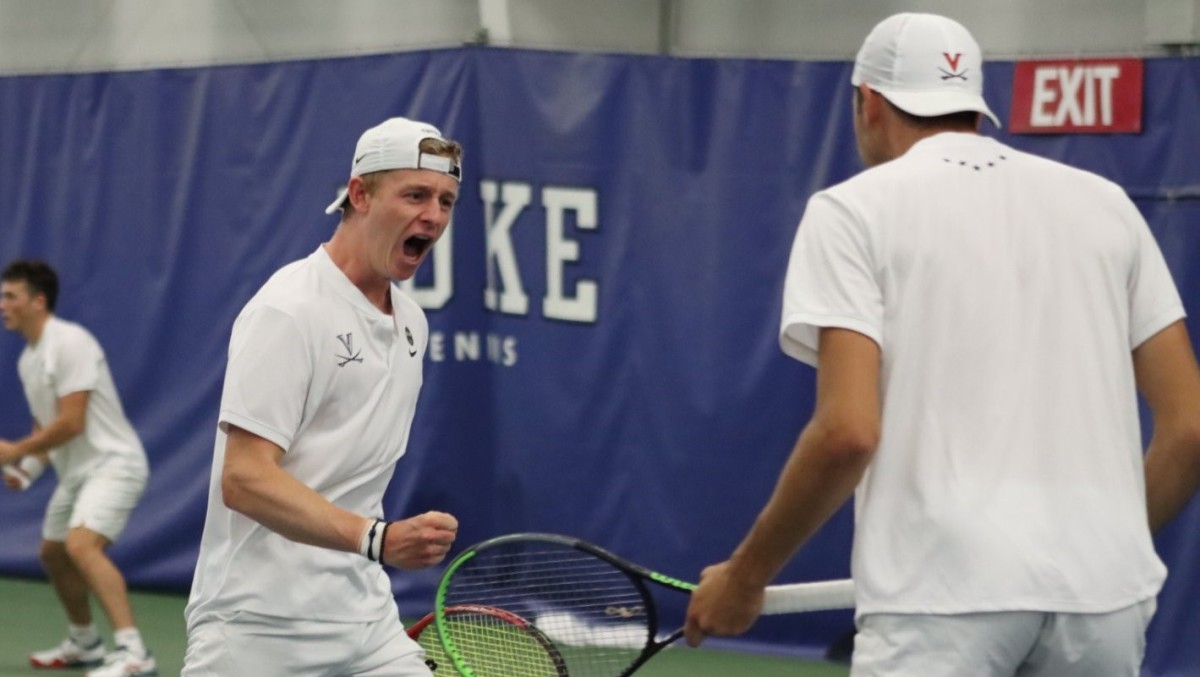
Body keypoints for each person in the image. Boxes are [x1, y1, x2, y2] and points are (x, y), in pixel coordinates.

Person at [683, 12, 1200, 677]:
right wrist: (1103, 543)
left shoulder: (851, 212)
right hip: (1104, 602)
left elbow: (847, 431)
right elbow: (1189, 430)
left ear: (867, 103)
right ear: (973, 105)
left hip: (941, 605)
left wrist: (747, 574)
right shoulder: (1107, 205)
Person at [182, 116, 463, 676]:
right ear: (359, 194)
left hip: (367, 621)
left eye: (446, 200)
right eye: (415, 195)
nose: (433, 216)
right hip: (257, 628)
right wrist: (376, 539)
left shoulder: (411, 322)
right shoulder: (289, 310)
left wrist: (371, 547)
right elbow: (244, 478)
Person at [0, 259, 157, 676]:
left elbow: (73, 422)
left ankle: (134, 653)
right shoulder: (27, 361)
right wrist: (27, 470)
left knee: (81, 546)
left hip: (114, 465)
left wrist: (14, 451)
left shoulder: (70, 342)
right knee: (53, 553)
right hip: (78, 472)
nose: (2, 305)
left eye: (10, 296)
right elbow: (49, 427)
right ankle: (85, 643)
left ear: (38, 301)